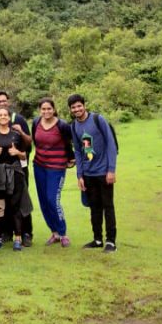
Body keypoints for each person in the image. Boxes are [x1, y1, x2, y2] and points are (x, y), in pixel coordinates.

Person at [67, 93, 118, 253]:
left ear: (84, 105)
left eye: (79, 106)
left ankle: (111, 242)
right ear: (70, 109)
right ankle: (97, 239)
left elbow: (111, 144)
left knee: (107, 206)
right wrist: (79, 175)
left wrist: (111, 170)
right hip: (88, 174)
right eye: (73, 107)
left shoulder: (98, 119)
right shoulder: (74, 126)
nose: (77, 109)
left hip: (103, 172)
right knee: (94, 207)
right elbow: (78, 151)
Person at [0, 91, 34, 246]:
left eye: (5, 115)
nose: (2, 116)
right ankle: (3, 234)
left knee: (19, 203)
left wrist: (18, 153)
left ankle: (23, 234)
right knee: (2, 205)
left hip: (16, 171)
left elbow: (27, 148)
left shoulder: (18, 124)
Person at [32, 98, 75, 247]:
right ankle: (54, 233)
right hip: (39, 165)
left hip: (56, 167)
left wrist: (71, 158)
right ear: (40, 110)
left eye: (49, 109)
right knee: (43, 200)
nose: (46, 112)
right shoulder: (36, 122)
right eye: (43, 109)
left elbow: (69, 143)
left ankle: (63, 233)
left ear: (54, 109)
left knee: (52, 199)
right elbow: (35, 142)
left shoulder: (62, 125)